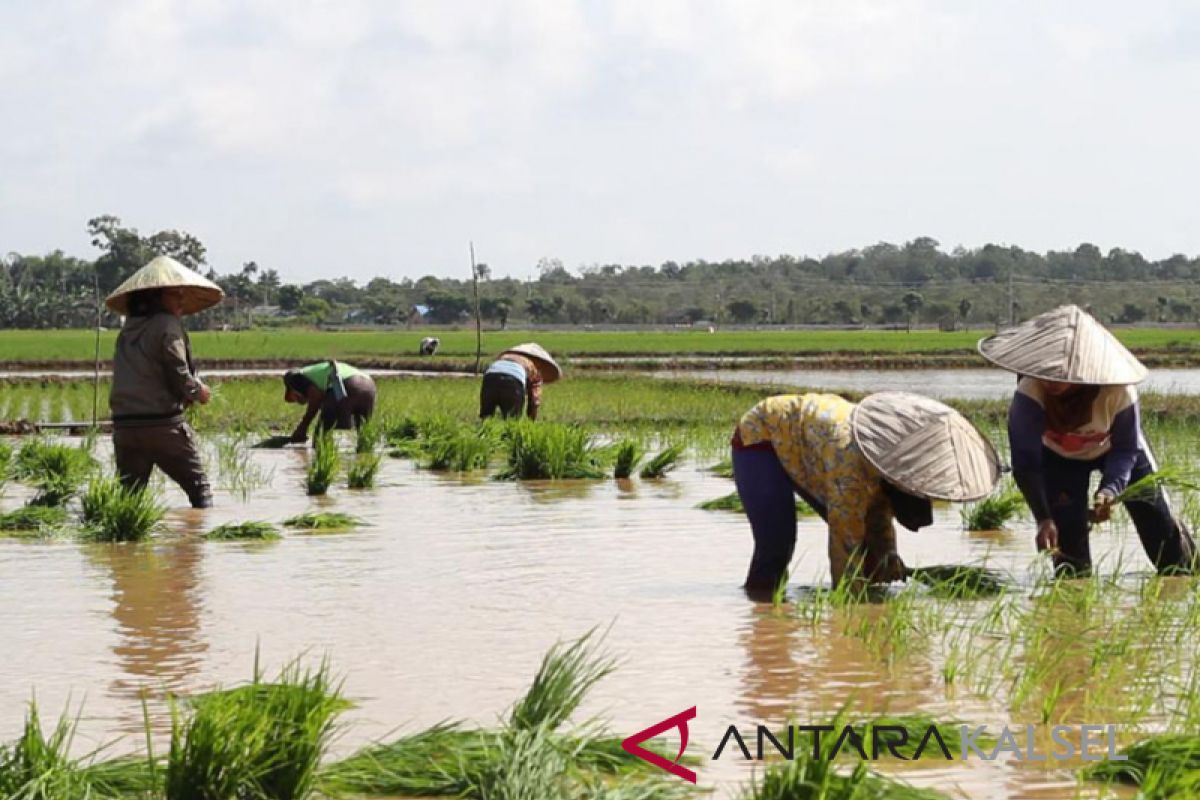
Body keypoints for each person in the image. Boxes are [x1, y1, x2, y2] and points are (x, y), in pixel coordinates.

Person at [979, 304, 1196, 576]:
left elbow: (1126, 449)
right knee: (1070, 562)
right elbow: (1026, 461)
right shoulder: (1030, 392)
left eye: (1063, 375)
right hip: (1058, 459)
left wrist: (1110, 489)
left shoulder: (1118, 391)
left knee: (1166, 543)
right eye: (1046, 373)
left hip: (1117, 452)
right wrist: (1043, 518)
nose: (1052, 381)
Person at [732, 391, 1000, 600]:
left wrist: (888, 557)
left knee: (872, 551)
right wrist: (849, 602)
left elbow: (879, 516)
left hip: (814, 445)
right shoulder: (850, 474)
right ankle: (761, 612)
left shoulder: (889, 463)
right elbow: (843, 545)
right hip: (763, 436)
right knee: (777, 544)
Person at [106, 255, 224, 509]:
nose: (181, 300)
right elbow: (176, 367)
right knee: (199, 489)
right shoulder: (167, 324)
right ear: (156, 297)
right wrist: (197, 392)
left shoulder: (128, 329)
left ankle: (124, 543)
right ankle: (198, 542)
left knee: (130, 497)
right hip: (161, 425)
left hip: (125, 426)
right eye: (175, 294)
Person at [283, 361, 376, 443]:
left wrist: (303, 427)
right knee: (364, 434)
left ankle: (320, 458)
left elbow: (316, 397)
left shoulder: (295, 378)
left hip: (346, 384)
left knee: (320, 436)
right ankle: (364, 456)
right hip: (369, 386)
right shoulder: (317, 372)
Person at [479, 343, 562, 420]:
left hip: (489, 379)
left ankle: (483, 433)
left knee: (486, 417)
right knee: (512, 420)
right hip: (513, 382)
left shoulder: (505, 357)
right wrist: (531, 420)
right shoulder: (533, 368)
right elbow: (534, 400)